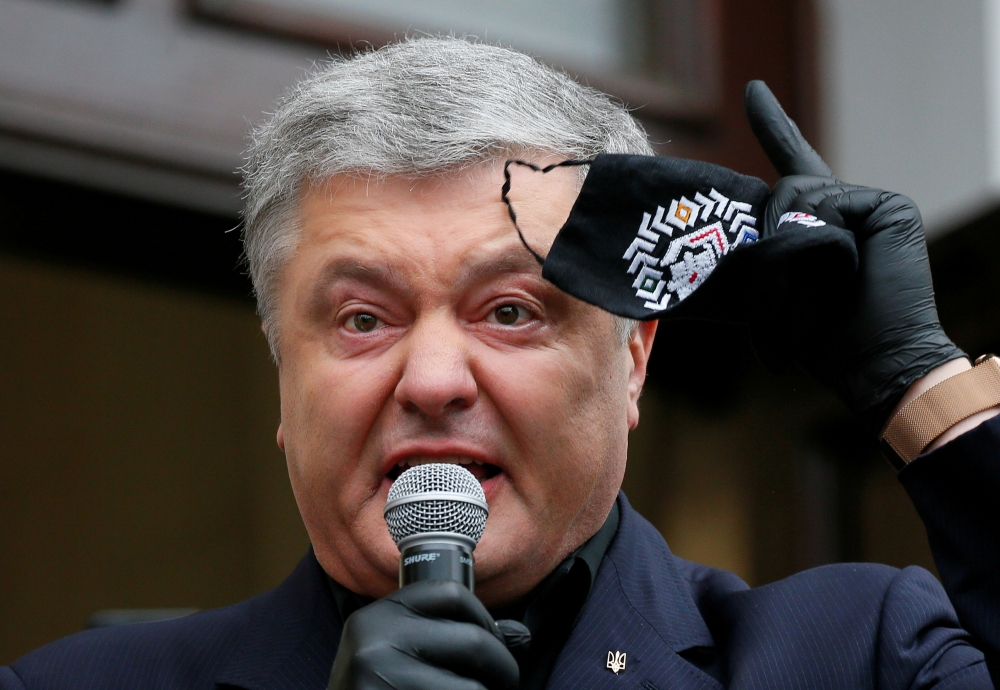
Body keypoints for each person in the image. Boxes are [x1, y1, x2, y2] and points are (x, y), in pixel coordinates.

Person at [3, 36, 999, 690]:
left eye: (510, 310)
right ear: (283, 379)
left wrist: (921, 385)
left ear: (634, 363)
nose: (432, 379)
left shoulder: (857, 655)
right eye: (360, 319)